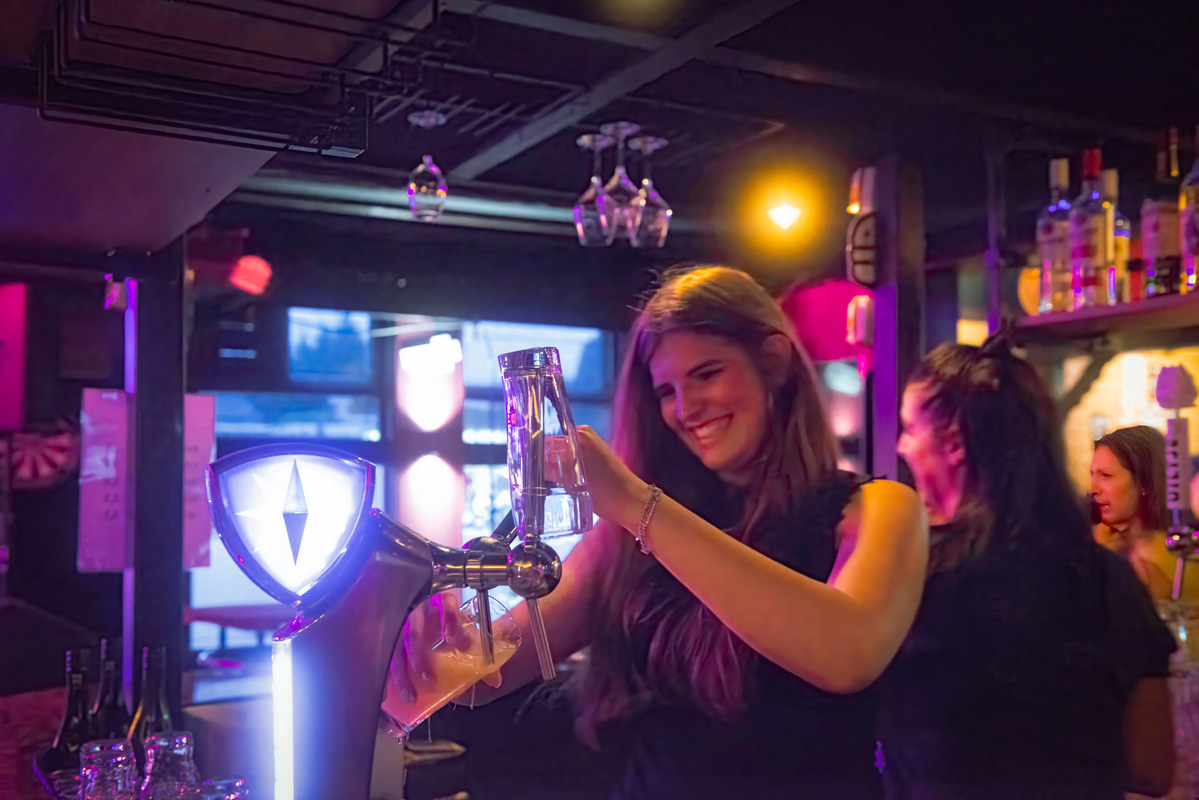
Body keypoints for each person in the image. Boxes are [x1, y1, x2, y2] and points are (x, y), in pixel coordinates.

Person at [394, 266, 929, 799]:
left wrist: (633, 501)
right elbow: (485, 678)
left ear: (774, 361)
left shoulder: (879, 508)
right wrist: (430, 636)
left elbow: (846, 654)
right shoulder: (633, 538)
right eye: (666, 391)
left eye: (707, 374)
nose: (686, 409)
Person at [879, 336, 1176, 799]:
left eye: (909, 429)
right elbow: (1152, 768)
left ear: (953, 443)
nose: (901, 447)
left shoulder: (912, 579)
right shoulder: (1107, 581)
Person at [1092, 425, 1198, 603]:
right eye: (1093, 476)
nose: (1093, 489)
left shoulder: (1183, 559)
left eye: (1106, 475)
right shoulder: (1098, 543)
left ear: (1144, 483)